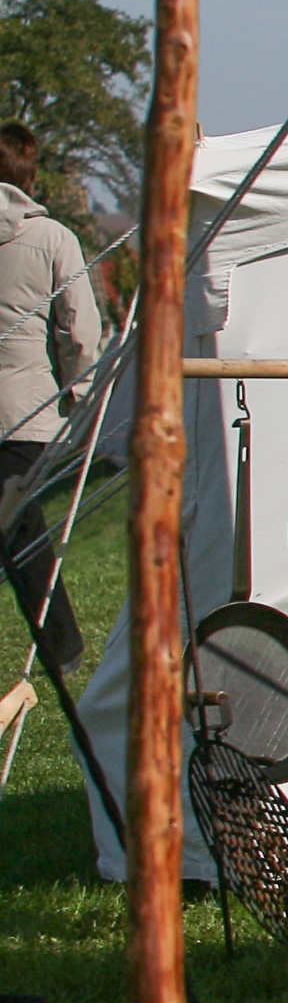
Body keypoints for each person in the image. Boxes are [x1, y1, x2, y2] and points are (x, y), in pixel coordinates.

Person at [0, 125, 102, 677]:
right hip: (26, 412)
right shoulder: (54, 239)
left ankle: (62, 647)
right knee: (23, 533)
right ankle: (63, 647)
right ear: (30, 175)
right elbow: (78, 331)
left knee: (18, 529)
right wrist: (83, 398)